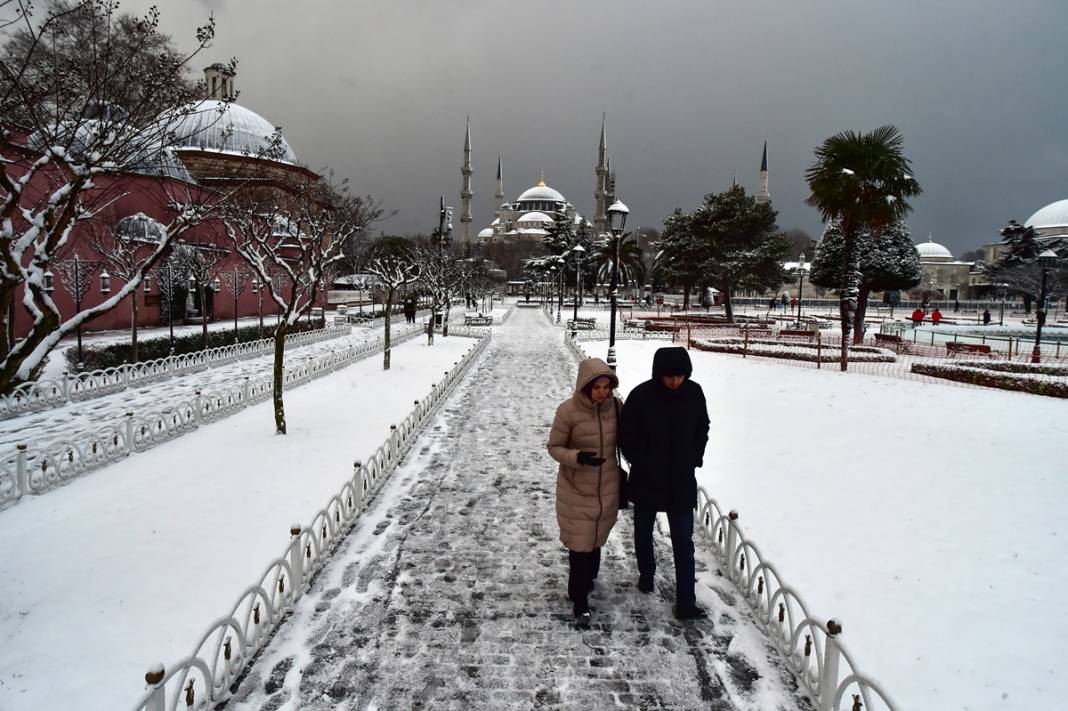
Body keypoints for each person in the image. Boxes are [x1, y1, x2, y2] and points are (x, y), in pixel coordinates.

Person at [619, 347, 710, 621]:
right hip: (648, 477)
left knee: (683, 540)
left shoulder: (694, 393)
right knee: (643, 531)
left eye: (679, 376)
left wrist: (694, 456)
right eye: (669, 376)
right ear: (659, 374)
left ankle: (686, 601)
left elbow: (702, 427)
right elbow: (627, 434)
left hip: (680, 479)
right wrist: (640, 460)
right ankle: (647, 573)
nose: (674, 381)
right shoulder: (641, 395)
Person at [547, 357, 622, 629]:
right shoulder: (567, 411)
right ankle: (580, 601)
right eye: (597, 388)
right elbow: (554, 447)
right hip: (577, 487)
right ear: (585, 387)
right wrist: (577, 457)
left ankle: (587, 581)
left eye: (606, 387)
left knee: (596, 539)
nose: (602, 393)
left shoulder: (615, 407)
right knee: (580, 545)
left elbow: (631, 433)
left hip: (607, 487)